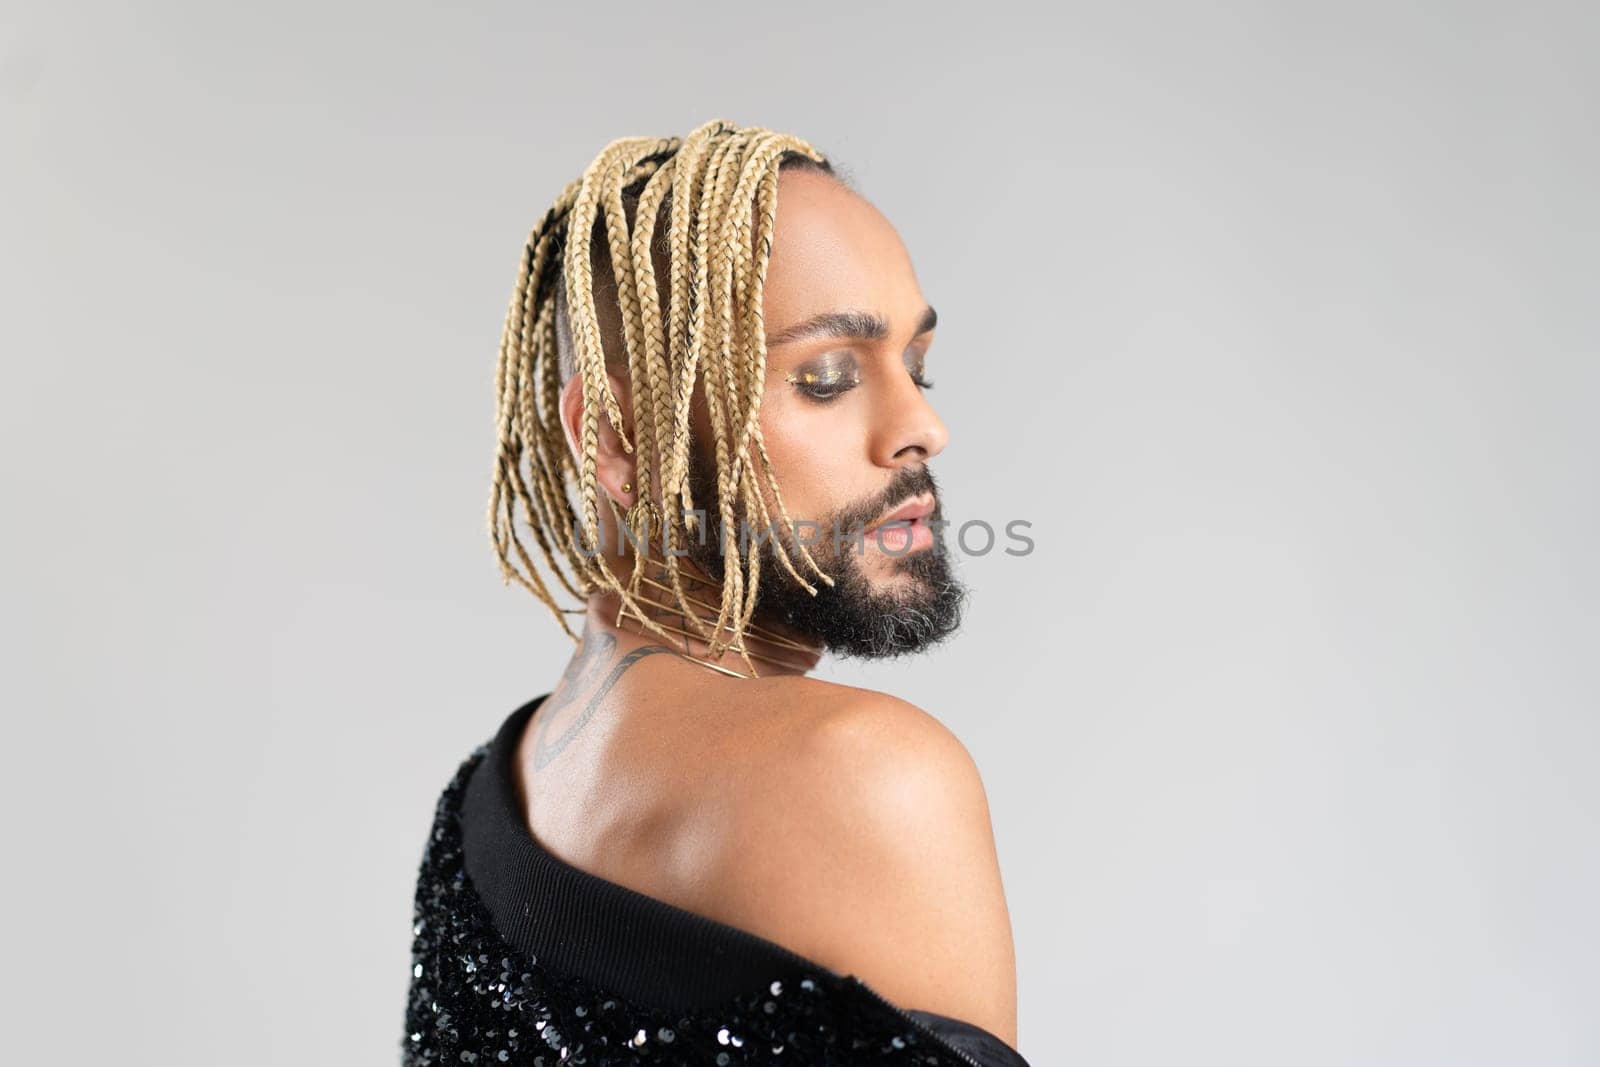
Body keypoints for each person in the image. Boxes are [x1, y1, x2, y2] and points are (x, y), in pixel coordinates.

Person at [404, 119, 1027, 1066]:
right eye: (826, 378)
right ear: (618, 439)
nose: (922, 426)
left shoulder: (487, 799)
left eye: (917, 365)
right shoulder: (868, 775)